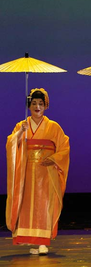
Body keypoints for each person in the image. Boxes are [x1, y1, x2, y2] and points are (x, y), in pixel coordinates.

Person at [6, 88, 70, 255]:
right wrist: (20, 133)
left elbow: (64, 147)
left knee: (44, 206)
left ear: (45, 106)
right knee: (27, 205)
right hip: (27, 171)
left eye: (41, 104)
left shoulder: (53, 127)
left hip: (46, 172)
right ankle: (30, 239)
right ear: (29, 105)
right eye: (34, 103)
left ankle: (43, 242)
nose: (37, 107)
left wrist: (54, 158)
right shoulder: (22, 125)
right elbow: (11, 145)